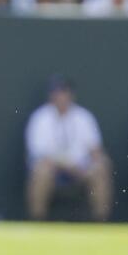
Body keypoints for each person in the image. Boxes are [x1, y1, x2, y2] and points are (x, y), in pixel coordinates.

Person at [25, 75, 113, 222]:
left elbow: (96, 151)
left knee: (102, 167)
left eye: (64, 92)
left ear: (71, 95)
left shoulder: (84, 117)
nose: (61, 96)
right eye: (57, 92)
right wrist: (67, 167)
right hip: (53, 170)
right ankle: (37, 221)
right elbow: (39, 155)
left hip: (81, 169)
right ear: (51, 95)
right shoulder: (40, 118)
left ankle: (100, 222)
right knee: (41, 171)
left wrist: (90, 165)